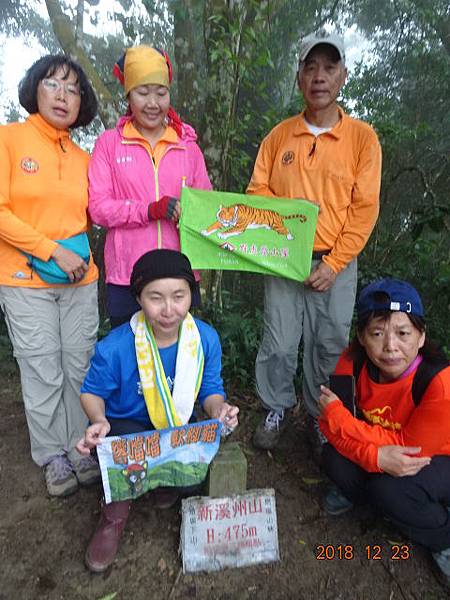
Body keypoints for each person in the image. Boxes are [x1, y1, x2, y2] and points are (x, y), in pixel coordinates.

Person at [247, 30, 382, 453]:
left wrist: (335, 262)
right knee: (278, 341)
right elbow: (257, 193)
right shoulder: (278, 137)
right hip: (283, 260)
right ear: (298, 77)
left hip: (336, 263)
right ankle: (275, 406)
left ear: (343, 76)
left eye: (329, 67)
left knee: (329, 344)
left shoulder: (362, 139)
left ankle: (323, 417)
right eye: (310, 66)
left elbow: (364, 208)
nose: (319, 76)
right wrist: (285, 238)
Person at [76, 249, 239, 573]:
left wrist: (219, 409)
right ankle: (114, 518)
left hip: (175, 422)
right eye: (156, 297)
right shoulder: (117, 345)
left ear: (191, 294)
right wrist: (99, 420)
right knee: (122, 447)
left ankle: (163, 484)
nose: (168, 309)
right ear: (138, 298)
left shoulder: (204, 339)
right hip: (127, 425)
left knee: (194, 470)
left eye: (179, 296)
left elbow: (209, 391)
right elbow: (92, 392)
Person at [0, 55, 100, 496]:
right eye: (53, 84)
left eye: (73, 89)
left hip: (80, 278)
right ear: (34, 89)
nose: (63, 95)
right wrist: (51, 250)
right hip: (25, 279)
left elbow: (90, 216)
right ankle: (52, 456)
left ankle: (81, 447)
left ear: (82, 103)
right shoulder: (9, 139)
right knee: (42, 368)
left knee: (80, 365)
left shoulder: (84, 157)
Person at [318, 278, 450, 583]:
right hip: (385, 450)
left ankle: (442, 538)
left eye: (403, 333)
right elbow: (329, 427)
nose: (391, 346)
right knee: (333, 456)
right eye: (377, 333)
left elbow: (408, 451)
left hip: (436, 458)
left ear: (420, 336)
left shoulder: (439, 383)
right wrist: (376, 458)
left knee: (390, 489)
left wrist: (343, 421)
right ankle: (374, 501)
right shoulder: (350, 363)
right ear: (362, 337)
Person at [88, 45, 212, 328]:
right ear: (128, 95)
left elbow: (206, 207)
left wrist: (193, 215)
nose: (153, 103)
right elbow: (98, 208)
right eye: (143, 93)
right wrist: (149, 210)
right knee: (129, 358)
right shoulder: (109, 144)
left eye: (161, 92)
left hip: (178, 277)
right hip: (126, 275)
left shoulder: (187, 147)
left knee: (177, 360)